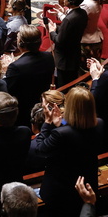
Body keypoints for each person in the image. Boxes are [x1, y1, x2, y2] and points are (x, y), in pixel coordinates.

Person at [34, 86, 104, 217]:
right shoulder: (99, 124)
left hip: (61, 192)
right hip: (87, 185)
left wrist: (48, 123)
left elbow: (40, 150)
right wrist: (61, 125)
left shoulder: (61, 134)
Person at [4, 25, 55, 127]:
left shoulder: (15, 67)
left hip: (23, 112)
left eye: (18, 38)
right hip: (43, 102)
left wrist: (7, 69)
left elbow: (8, 91)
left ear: (21, 43)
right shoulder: (48, 56)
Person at [49, 0, 88, 87]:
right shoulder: (83, 13)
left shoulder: (69, 19)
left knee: (64, 87)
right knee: (72, 82)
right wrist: (59, 28)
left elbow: (58, 40)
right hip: (74, 55)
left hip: (64, 60)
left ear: (70, 1)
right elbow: (70, 32)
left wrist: (52, 31)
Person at [79, 0, 104, 64]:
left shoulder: (85, 4)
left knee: (85, 69)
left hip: (87, 42)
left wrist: (61, 14)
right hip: (96, 38)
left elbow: (73, 20)